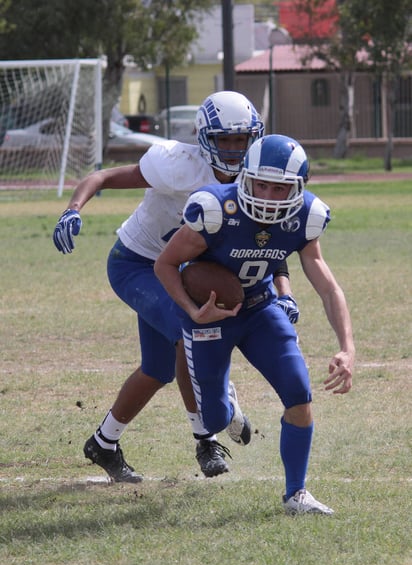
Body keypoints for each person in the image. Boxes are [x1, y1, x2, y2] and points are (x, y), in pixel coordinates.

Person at [52, 92, 299, 482]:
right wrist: (73, 208)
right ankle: (207, 436)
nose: (235, 151)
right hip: (137, 264)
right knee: (191, 335)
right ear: (204, 139)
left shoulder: (254, 180)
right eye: (225, 140)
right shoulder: (177, 166)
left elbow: (268, 244)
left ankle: (103, 442)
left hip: (186, 268)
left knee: (157, 369)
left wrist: (285, 294)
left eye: (242, 140)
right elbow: (101, 177)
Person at [154, 134, 355, 514]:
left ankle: (296, 494)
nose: (266, 194)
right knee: (212, 418)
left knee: (299, 392)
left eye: (279, 188)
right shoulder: (215, 208)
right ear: (244, 177)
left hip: (261, 308)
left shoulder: (305, 216)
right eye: (260, 183)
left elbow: (328, 287)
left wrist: (347, 345)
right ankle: (226, 401)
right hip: (209, 316)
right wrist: (192, 311)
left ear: (298, 188)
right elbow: (165, 264)